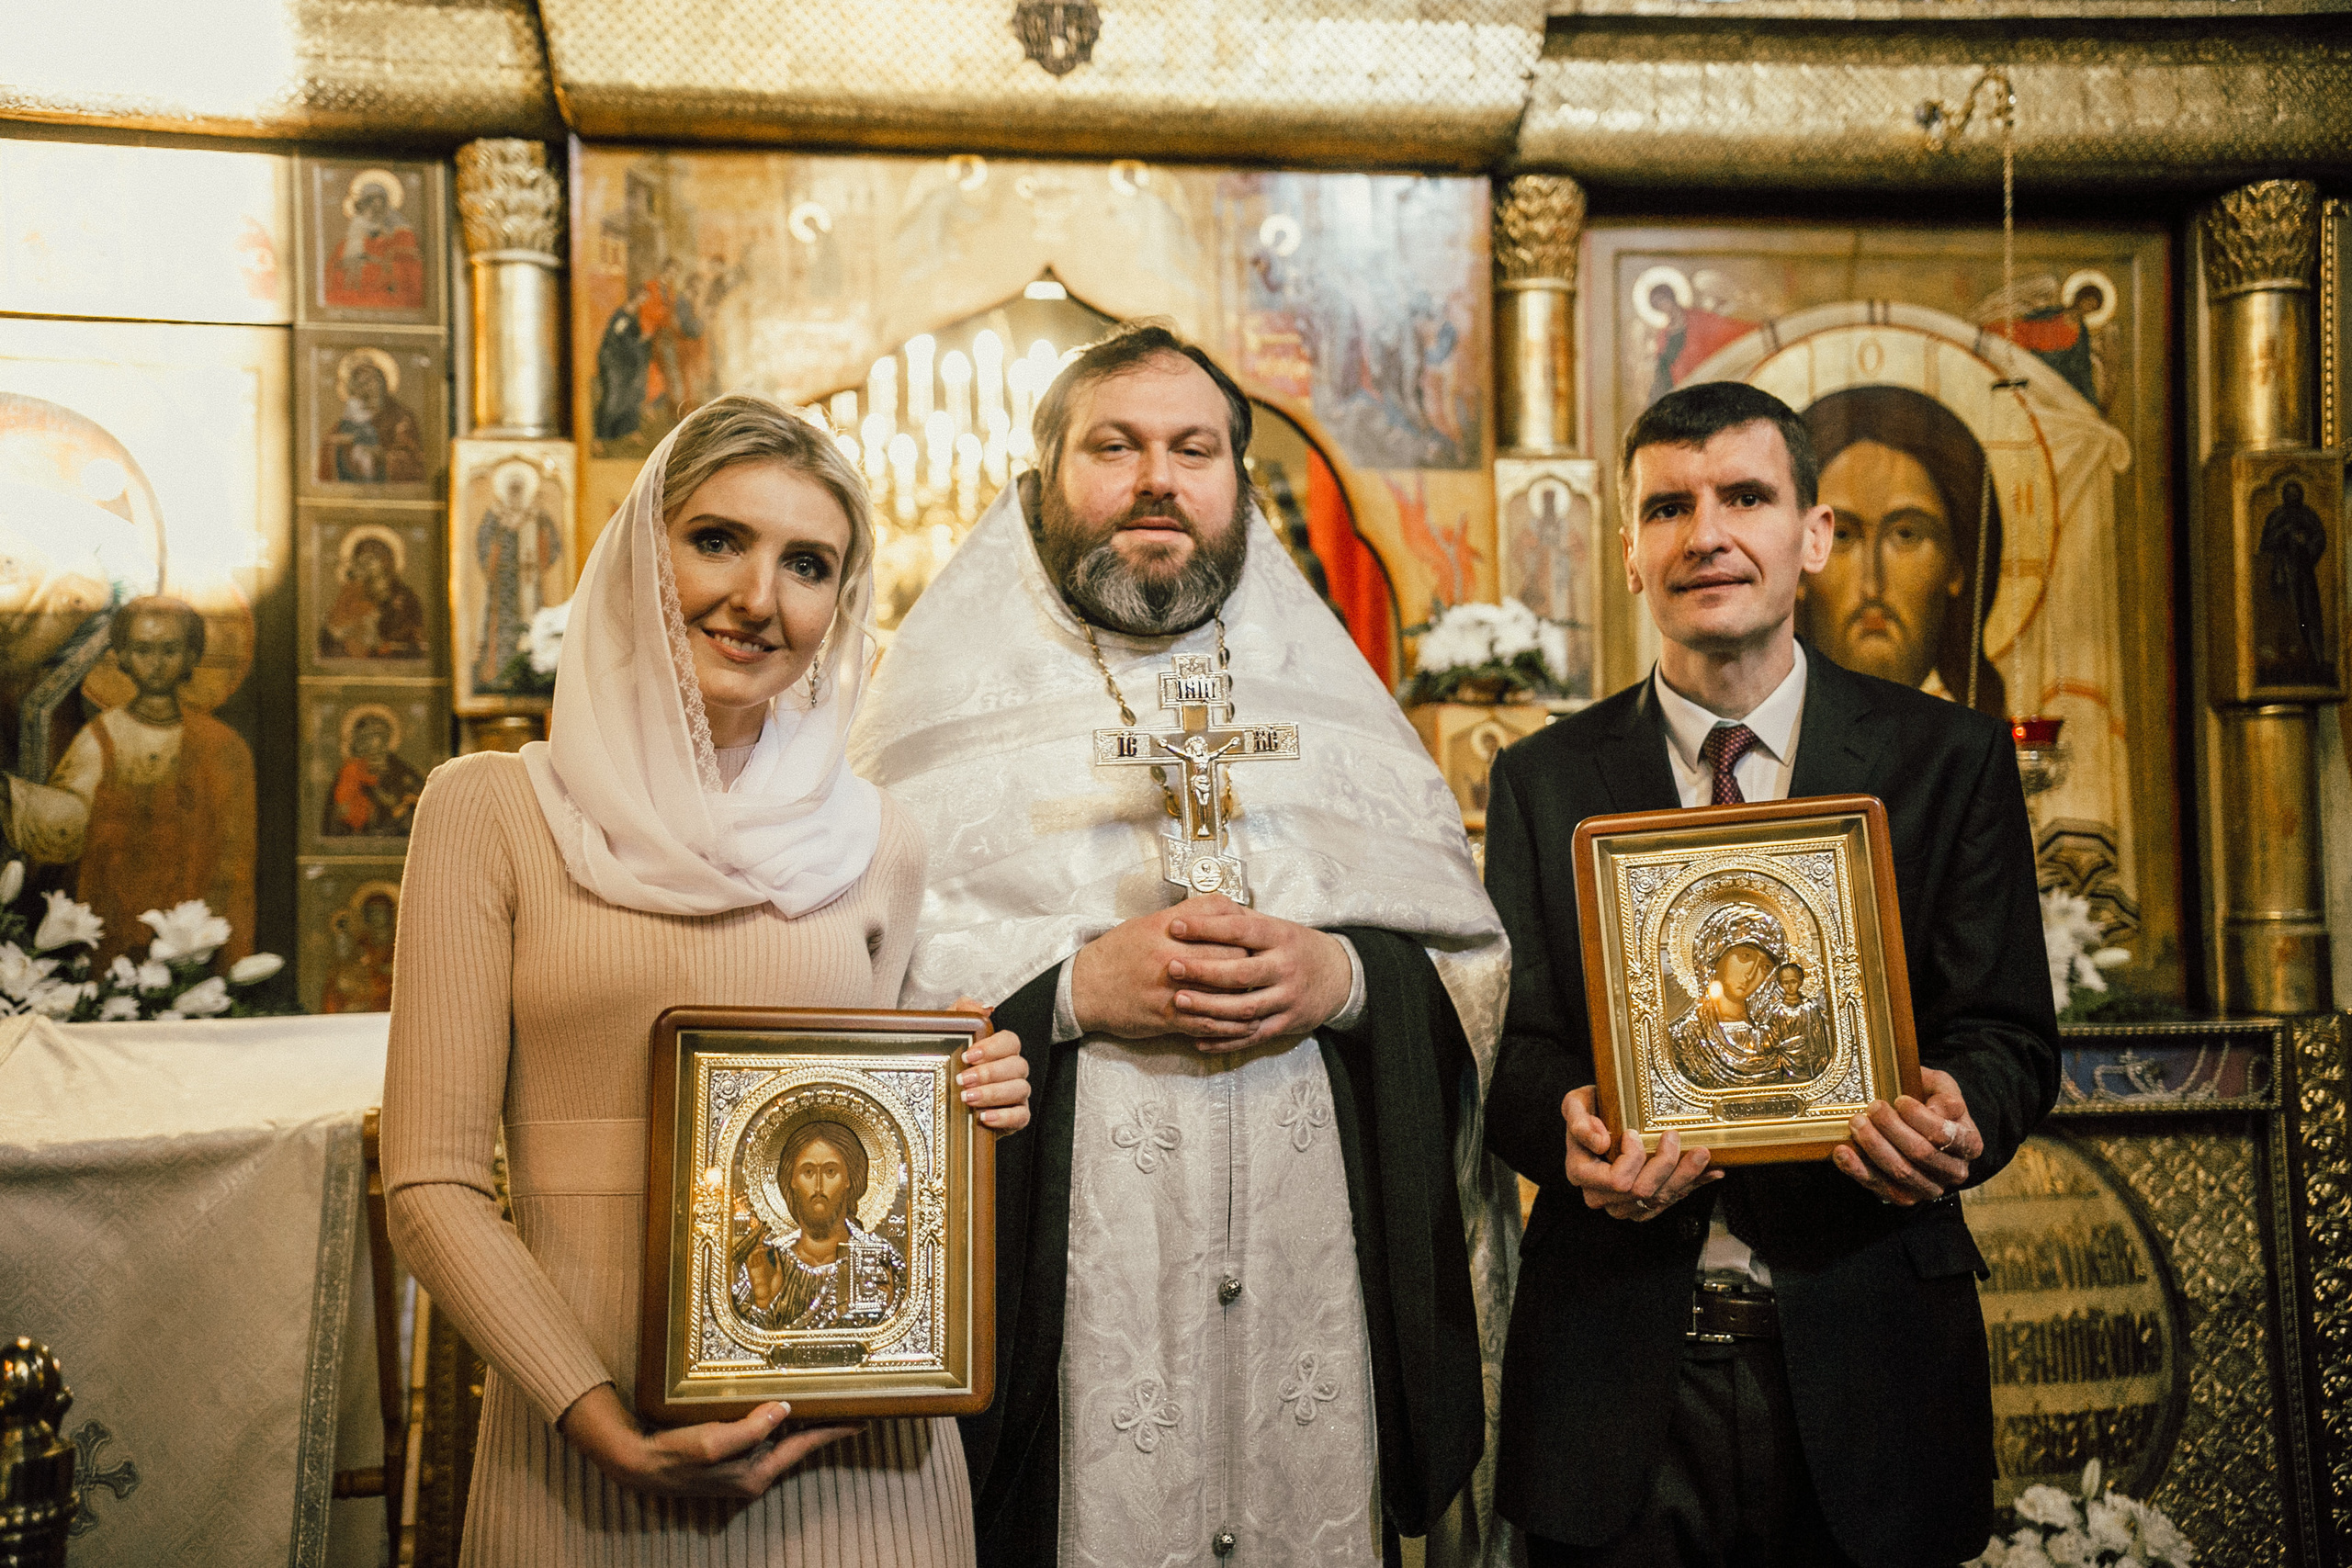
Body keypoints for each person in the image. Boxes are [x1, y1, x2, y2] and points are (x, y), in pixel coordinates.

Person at [851, 322, 1514, 1568]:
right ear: (1041, 481)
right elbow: (842, 1006)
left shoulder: (1328, 705)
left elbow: (1471, 968)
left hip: (1315, 1302)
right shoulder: (926, 724)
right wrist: (1063, 991)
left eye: (1192, 447)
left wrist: (1350, 974)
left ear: (1237, 486)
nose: (1158, 477)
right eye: (1116, 445)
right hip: (1059, 1310)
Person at [382, 393, 1033, 1565]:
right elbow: (429, 1181)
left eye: (808, 564)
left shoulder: (881, 836)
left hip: (858, 1473)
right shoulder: (490, 811)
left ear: (839, 605)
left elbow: (875, 1154)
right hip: (581, 1465)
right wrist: (594, 1419)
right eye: (717, 540)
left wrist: (970, 1092)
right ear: (643, 550)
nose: (758, 598)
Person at [1482, 379, 2059, 1568]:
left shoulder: (1944, 757)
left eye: (1746, 494)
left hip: (1870, 1347)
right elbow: (1512, 1043)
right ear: (1631, 552)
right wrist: (1569, 1127)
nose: (1707, 532)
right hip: (1615, 1363)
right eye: (1669, 506)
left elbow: (2007, 1030)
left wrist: (1960, 1118)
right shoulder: (1543, 777)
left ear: (1814, 534)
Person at [3, 595, 255, 968]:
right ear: (121, 657)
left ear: (191, 656)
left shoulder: (222, 746)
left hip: (191, 906)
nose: (155, 663)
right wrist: (16, 796)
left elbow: (234, 856)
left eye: (169, 650)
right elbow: (70, 820)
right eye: (142, 649)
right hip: (113, 903)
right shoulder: (101, 735)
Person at [1800, 385, 2006, 714]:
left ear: (1957, 565)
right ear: (1797, 573)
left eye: (1906, 534)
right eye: (1841, 536)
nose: (1872, 584)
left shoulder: (1974, 747)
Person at [733, 1121, 906, 1330]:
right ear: (791, 1180)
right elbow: (744, 1345)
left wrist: (887, 1309)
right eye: (808, 1172)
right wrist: (762, 1301)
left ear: (849, 1179)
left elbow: (900, 1336)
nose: (818, 1187)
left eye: (830, 1171)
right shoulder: (767, 1261)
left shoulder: (880, 1258)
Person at [321, 535, 427, 659]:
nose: (369, 566)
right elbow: (329, 638)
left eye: (376, 557)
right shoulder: (350, 595)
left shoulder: (406, 600)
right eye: (362, 560)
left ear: (390, 561)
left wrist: (375, 651)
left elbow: (416, 645)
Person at [322, 709, 423, 838]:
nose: (375, 744)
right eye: (367, 738)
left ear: (388, 740)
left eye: (381, 737)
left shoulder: (403, 773)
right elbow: (334, 821)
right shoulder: (349, 773)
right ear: (358, 742)